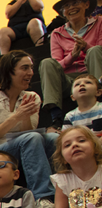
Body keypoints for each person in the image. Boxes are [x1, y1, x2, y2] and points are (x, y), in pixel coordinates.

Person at [0, 51, 58, 208]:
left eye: (31, 68)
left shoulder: (32, 97)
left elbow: (29, 135)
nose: (31, 73)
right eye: (25, 68)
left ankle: (64, 191)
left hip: (21, 146)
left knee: (54, 138)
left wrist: (25, 117)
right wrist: (16, 116)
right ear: (9, 71)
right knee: (32, 138)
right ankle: (41, 198)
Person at [41, 0, 102, 128]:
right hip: (69, 80)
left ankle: (99, 98)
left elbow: (99, 53)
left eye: (75, 3)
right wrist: (72, 56)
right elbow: (57, 65)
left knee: (95, 50)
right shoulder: (57, 33)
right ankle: (56, 117)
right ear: (63, 12)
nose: (71, 8)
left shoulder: (99, 23)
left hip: (92, 72)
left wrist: (86, 46)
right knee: (47, 63)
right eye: (67, 6)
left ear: (86, 5)